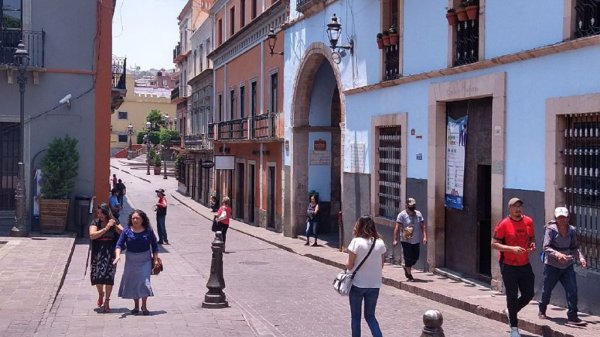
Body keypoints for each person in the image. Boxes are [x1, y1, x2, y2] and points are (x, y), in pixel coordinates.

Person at [491, 197, 536, 337]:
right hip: (508, 265)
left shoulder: (529, 221)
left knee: (529, 294)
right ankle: (514, 329)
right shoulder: (504, 224)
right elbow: (494, 244)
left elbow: (532, 238)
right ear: (509, 208)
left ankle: (510, 311)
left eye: (520, 206)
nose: (518, 209)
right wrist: (512, 249)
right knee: (511, 295)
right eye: (515, 206)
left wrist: (532, 245)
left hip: (524, 263)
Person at [538, 207, 587, 324]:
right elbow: (546, 247)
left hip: (567, 265)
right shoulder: (551, 230)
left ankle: (572, 316)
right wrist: (558, 255)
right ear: (556, 218)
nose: (562, 220)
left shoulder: (571, 230)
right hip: (552, 265)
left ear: (568, 218)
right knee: (547, 289)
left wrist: (580, 257)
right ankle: (542, 310)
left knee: (572, 290)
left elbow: (574, 247)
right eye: (560, 217)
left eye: (564, 217)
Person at [113, 210, 160, 316]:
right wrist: (117, 256)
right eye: (133, 218)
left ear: (142, 219)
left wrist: (156, 259)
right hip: (131, 260)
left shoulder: (148, 230)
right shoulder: (127, 231)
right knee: (134, 282)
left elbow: (154, 246)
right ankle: (136, 306)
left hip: (145, 259)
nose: (135, 220)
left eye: (137, 218)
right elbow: (119, 245)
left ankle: (144, 305)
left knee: (144, 281)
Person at [346, 215, 386, 337]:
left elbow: (349, 265)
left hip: (357, 284)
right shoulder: (380, 243)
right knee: (370, 316)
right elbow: (381, 265)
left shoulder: (356, 242)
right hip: (374, 285)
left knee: (356, 317)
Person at [89, 203, 123, 313]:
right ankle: (100, 294)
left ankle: (107, 301)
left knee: (109, 277)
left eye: (102, 213)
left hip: (110, 253)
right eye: (98, 213)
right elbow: (92, 235)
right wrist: (106, 228)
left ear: (107, 213)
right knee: (98, 276)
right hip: (98, 252)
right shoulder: (95, 222)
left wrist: (115, 225)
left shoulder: (114, 221)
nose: (100, 215)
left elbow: (123, 233)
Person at [392, 197, 427, 281]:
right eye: (411, 205)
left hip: (416, 240)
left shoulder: (418, 214)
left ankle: (407, 267)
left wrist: (425, 236)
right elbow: (397, 227)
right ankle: (409, 274)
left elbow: (423, 226)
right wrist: (395, 239)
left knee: (415, 257)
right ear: (407, 205)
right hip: (406, 239)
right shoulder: (402, 215)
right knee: (408, 257)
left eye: (414, 205)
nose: (412, 207)